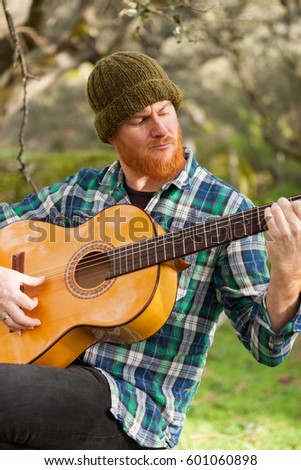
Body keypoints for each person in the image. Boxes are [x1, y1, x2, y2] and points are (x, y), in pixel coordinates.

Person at [0, 51, 300, 450]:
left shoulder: (226, 210)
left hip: (130, 408)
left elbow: (267, 346)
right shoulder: (82, 191)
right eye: (140, 120)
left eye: (165, 110)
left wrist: (289, 275)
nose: (161, 129)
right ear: (111, 134)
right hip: (42, 369)